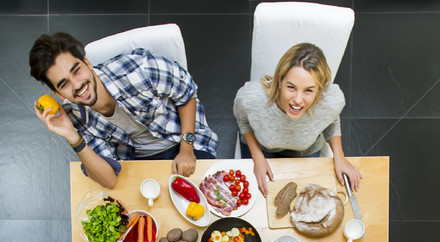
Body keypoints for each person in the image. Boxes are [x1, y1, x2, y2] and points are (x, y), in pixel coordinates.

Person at [29, 32, 218, 189]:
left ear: (87, 63)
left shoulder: (140, 68)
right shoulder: (76, 118)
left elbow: (186, 91)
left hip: (183, 140)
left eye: (76, 70)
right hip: (139, 162)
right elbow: (109, 180)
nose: (77, 85)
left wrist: (186, 149)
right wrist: (72, 136)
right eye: (64, 84)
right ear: (58, 93)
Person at [233, 43, 361, 197]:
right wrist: (257, 156)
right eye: (291, 87)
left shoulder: (332, 101)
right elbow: (242, 121)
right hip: (262, 148)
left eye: (308, 90)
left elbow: (331, 119)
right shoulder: (250, 98)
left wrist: (339, 156)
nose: (298, 100)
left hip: (305, 151)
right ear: (280, 80)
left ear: (319, 89)